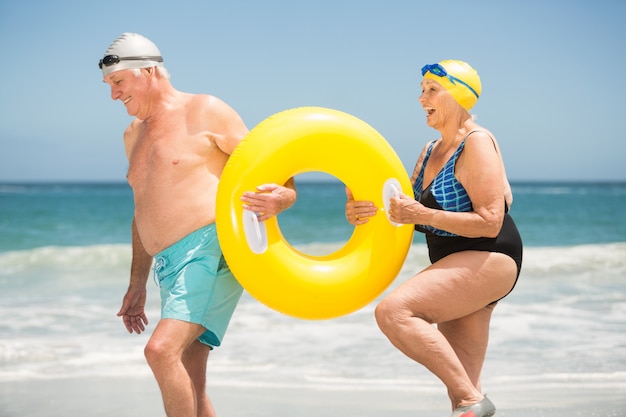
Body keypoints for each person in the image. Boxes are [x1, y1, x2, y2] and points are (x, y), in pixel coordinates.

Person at [99, 32, 296, 417]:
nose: (113, 95)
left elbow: (275, 168)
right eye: (108, 86)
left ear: (149, 72)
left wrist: (284, 198)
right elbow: (143, 213)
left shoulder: (205, 110)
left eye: (118, 82)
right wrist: (137, 282)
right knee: (190, 375)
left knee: (160, 350)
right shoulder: (132, 135)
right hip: (169, 264)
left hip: (211, 247)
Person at [345, 60, 522, 417]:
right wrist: (360, 208)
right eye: (422, 89)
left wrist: (420, 215)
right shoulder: (429, 151)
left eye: (432, 90)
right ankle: (471, 402)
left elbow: (490, 221)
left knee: (394, 313)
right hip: (451, 260)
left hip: (489, 254)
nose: (421, 98)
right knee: (463, 390)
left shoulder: (477, 142)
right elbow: (403, 211)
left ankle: (472, 401)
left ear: (458, 96)